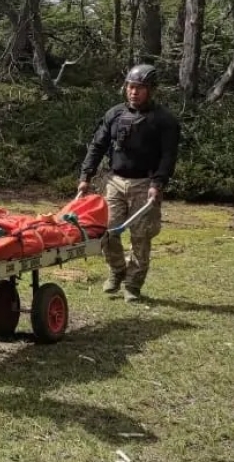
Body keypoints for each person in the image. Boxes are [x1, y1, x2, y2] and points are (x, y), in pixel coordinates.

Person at [78, 64, 181, 302]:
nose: (134, 92)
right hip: (115, 182)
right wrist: (86, 176)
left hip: (145, 184)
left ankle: (133, 285)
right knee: (107, 231)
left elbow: (168, 156)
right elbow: (97, 146)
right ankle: (117, 270)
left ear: (151, 90)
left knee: (140, 236)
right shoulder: (114, 114)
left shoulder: (164, 121)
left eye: (140, 88)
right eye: (130, 87)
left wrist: (158, 183)